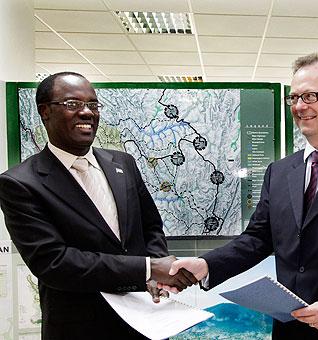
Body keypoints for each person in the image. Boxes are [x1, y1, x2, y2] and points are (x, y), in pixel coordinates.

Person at [163, 53, 318, 339]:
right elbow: (257, 239)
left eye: (309, 96)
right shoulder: (280, 172)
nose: (298, 106)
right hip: (291, 329)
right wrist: (206, 265)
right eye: (293, 98)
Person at [0, 72, 196, 340]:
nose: (86, 112)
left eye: (93, 105)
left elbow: (150, 226)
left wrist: (155, 273)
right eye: (72, 104)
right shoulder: (21, 183)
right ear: (44, 112)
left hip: (147, 323)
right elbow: (54, 262)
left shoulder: (123, 164)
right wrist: (148, 268)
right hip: (80, 327)